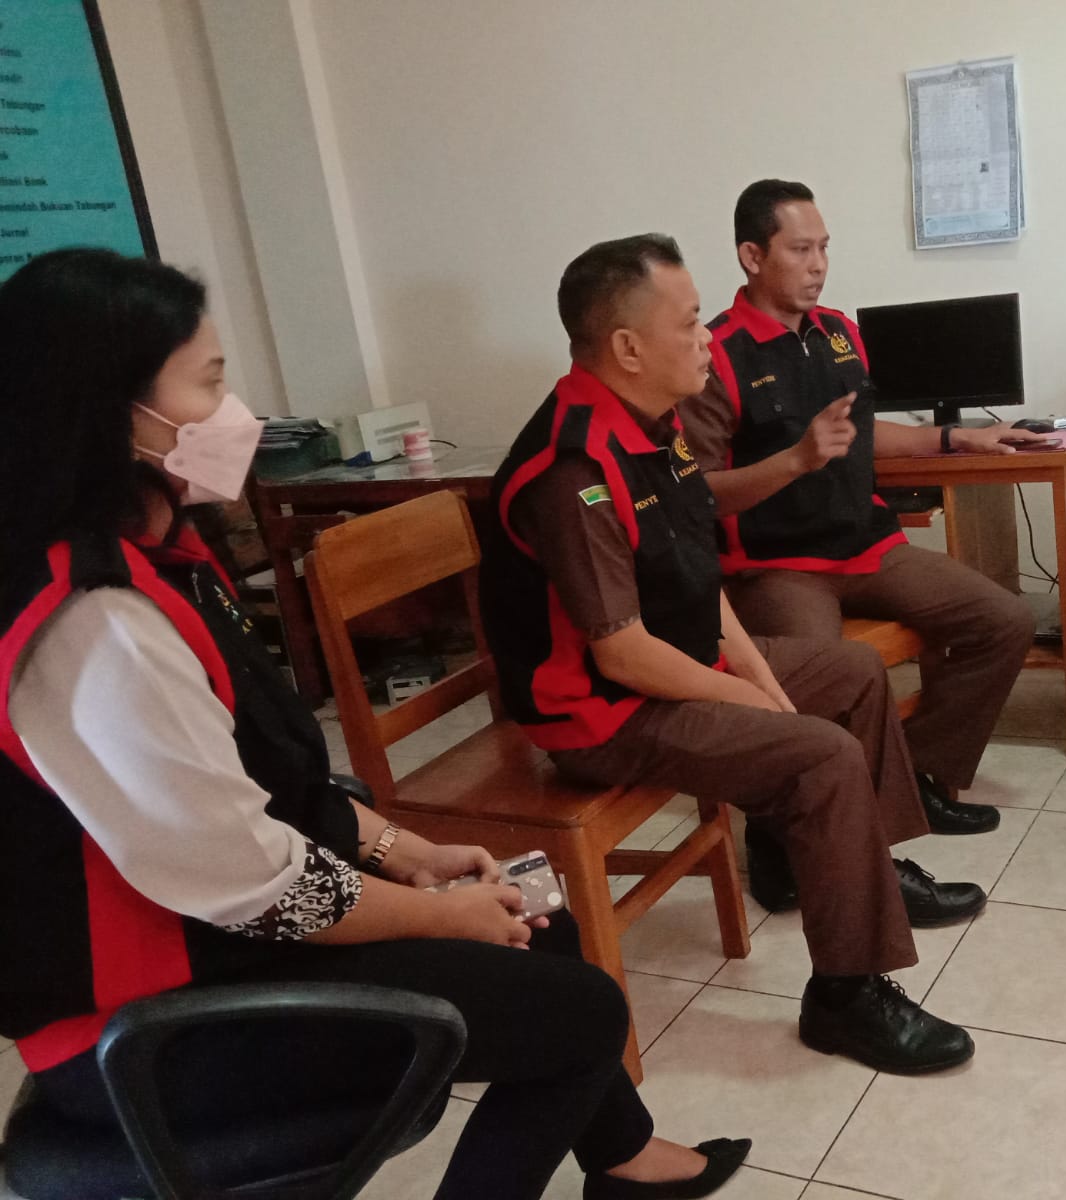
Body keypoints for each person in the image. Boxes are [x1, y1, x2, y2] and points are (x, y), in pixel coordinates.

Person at [0, 248, 748, 1200]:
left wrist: (409, 851)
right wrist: (437, 913)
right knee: (582, 1011)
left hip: (219, 937)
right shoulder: (99, 625)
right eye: (212, 383)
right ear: (115, 415)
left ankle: (625, 1160)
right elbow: (258, 886)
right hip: (155, 1020)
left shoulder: (163, 556)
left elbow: (273, 782)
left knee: (536, 918)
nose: (239, 415)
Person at [477, 233, 981, 1075]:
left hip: (668, 669)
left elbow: (693, 573)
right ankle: (846, 995)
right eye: (687, 323)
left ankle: (858, 872)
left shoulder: (653, 426)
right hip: (600, 715)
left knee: (854, 672)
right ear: (627, 347)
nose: (706, 337)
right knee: (820, 753)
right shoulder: (574, 466)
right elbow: (623, 655)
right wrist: (756, 703)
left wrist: (755, 673)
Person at [676, 179, 1045, 844]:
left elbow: (864, 437)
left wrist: (954, 438)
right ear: (752, 257)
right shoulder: (715, 354)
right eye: (800, 249)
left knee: (1004, 620)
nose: (818, 264)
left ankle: (921, 775)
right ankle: (788, 836)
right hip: (778, 565)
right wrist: (796, 459)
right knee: (823, 679)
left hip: (868, 547)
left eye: (824, 247)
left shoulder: (840, 332)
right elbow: (697, 492)